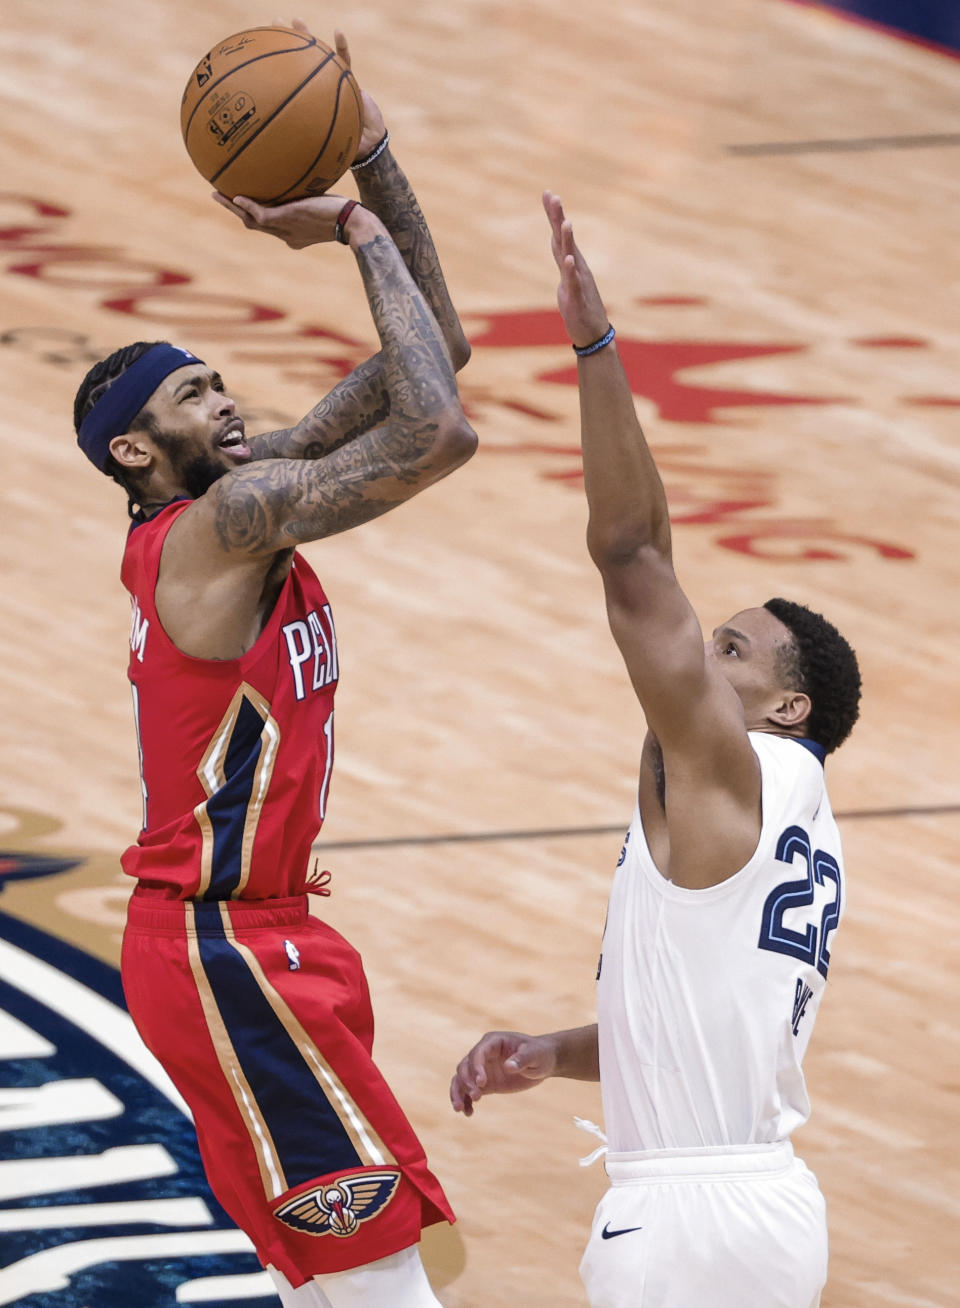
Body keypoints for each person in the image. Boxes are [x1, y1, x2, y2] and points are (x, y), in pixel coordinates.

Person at [73, 29, 476, 1308]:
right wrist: (351, 231)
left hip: (266, 930)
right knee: (378, 1284)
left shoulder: (244, 493)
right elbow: (441, 432)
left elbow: (438, 353)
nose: (225, 401)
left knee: (347, 1280)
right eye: (193, 396)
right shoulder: (215, 533)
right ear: (139, 453)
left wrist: (371, 154)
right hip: (219, 946)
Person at [450, 192, 862, 1308]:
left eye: (731, 649)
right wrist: (558, 1050)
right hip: (766, 1206)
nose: (697, 649)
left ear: (786, 707)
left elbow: (633, 556)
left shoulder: (734, 774)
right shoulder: (794, 810)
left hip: (685, 1225)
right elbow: (701, 1028)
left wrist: (592, 346)